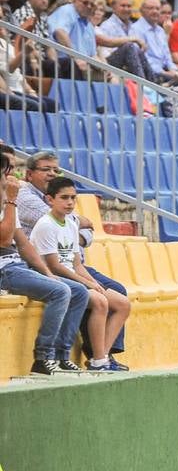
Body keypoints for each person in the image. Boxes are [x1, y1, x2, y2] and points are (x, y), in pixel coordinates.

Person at [0, 146, 89, 375]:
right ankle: (42, 358)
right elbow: (4, 238)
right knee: (60, 292)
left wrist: (47, 274)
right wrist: (10, 201)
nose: (10, 179)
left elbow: (23, 244)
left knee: (78, 291)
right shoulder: (9, 203)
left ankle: (61, 356)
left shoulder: (7, 204)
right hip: (4, 269)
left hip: (17, 264)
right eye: (5, 173)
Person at [30, 176, 131, 372]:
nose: (69, 202)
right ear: (50, 200)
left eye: (73, 198)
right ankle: (99, 361)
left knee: (122, 304)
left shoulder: (70, 223)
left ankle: (99, 357)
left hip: (72, 275)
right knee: (100, 302)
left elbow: (77, 263)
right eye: (64, 198)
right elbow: (55, 266)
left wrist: (93, 281)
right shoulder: (45, 225)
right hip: (52, 276)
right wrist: (88, 285)